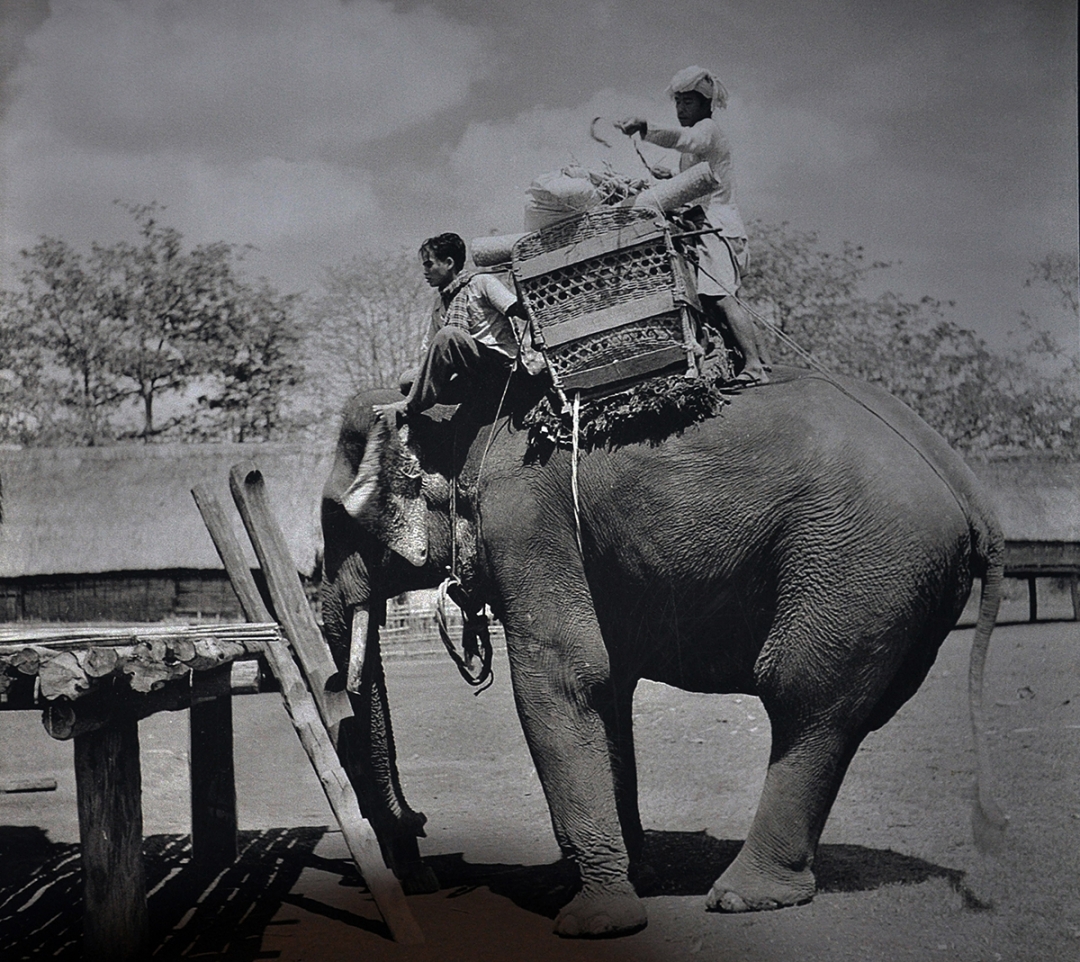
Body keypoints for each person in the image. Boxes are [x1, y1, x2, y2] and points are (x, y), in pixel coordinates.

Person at [617, 66, 770, 383]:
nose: (681, 109)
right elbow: (701, 177)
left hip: (717, 227)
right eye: (678, 102)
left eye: (688, 102)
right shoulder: (701, 138)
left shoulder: (707, 129)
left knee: (720, 296)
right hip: (708, 226)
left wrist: (646, 127)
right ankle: (761, 361)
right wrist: (674, 178)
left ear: (705, 104)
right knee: (718, 297)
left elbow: (688, 141)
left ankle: (755, 366)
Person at [377, 232, 529, 419]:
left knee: (449, 335)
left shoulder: (481, 283)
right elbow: (432, 351)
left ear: (449, 263)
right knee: (407, 380)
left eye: (429, 264)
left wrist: (521, 277)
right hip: (469, 376)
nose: (425, 271)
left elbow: (518, 309)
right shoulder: (439, 304)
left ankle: (410, 406)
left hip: (500, 367)